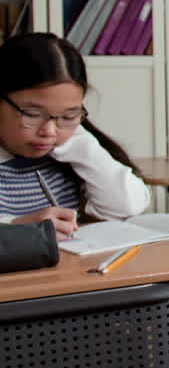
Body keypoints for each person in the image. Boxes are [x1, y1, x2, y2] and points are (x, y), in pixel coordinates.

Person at [0, 32, 149, 236]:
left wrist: (80, 144)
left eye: (68, 116)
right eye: (33, 114)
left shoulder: (69, 154)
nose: (49, 131)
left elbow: (127, 206)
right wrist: (19, 226)